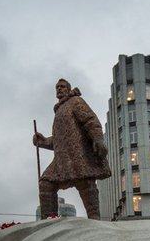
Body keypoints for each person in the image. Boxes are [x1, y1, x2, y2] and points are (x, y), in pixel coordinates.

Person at [33, 78, 111, 219]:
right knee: (46, 184)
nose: (59, 89)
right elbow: (59, 140)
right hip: (61, 159)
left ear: (68, 89)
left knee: (86, 184)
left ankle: (95, 221)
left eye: (62, 86)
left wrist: (98, 139)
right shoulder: (59, 110)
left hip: (78, 155)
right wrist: (43, 141)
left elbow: (90, 121)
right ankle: (48, 222)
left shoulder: (75, 101)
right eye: (57, 87)